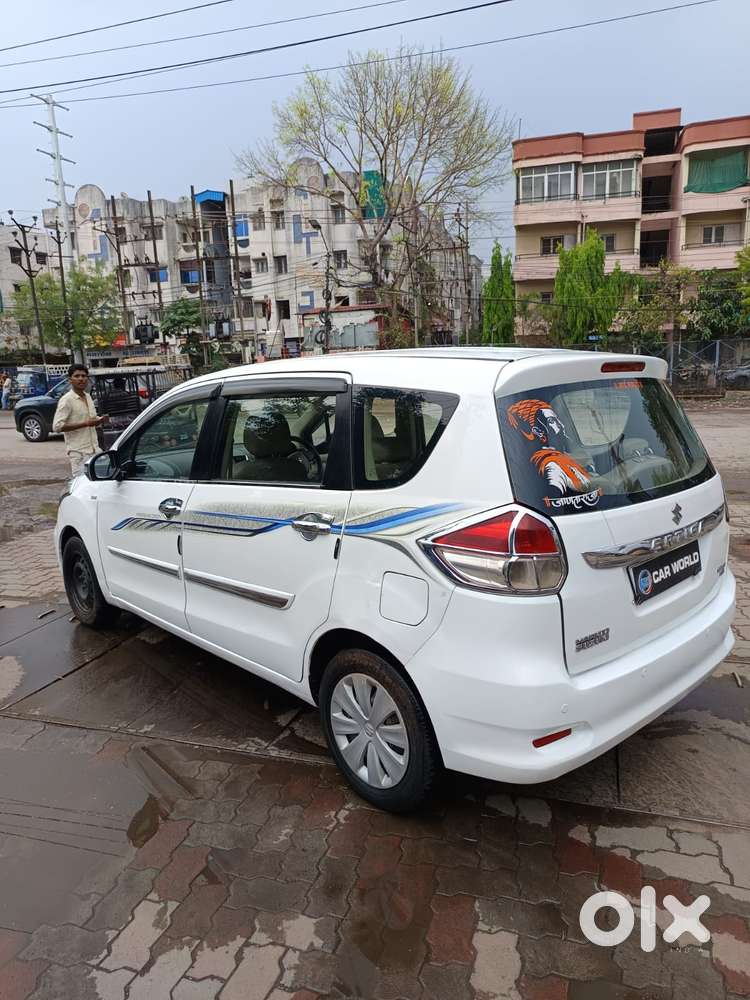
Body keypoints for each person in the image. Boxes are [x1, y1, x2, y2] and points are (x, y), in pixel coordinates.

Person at [52, 364, 109, 476]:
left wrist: (100, 420)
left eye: (83, 376)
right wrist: (85, 424)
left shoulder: (88, 397)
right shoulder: (67, 400)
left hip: (95, 451)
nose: (81, 379)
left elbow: (91, 419)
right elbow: (57, 427)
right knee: (81, 487)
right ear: (70, 380)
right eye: (77, 376)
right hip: (79, 453)